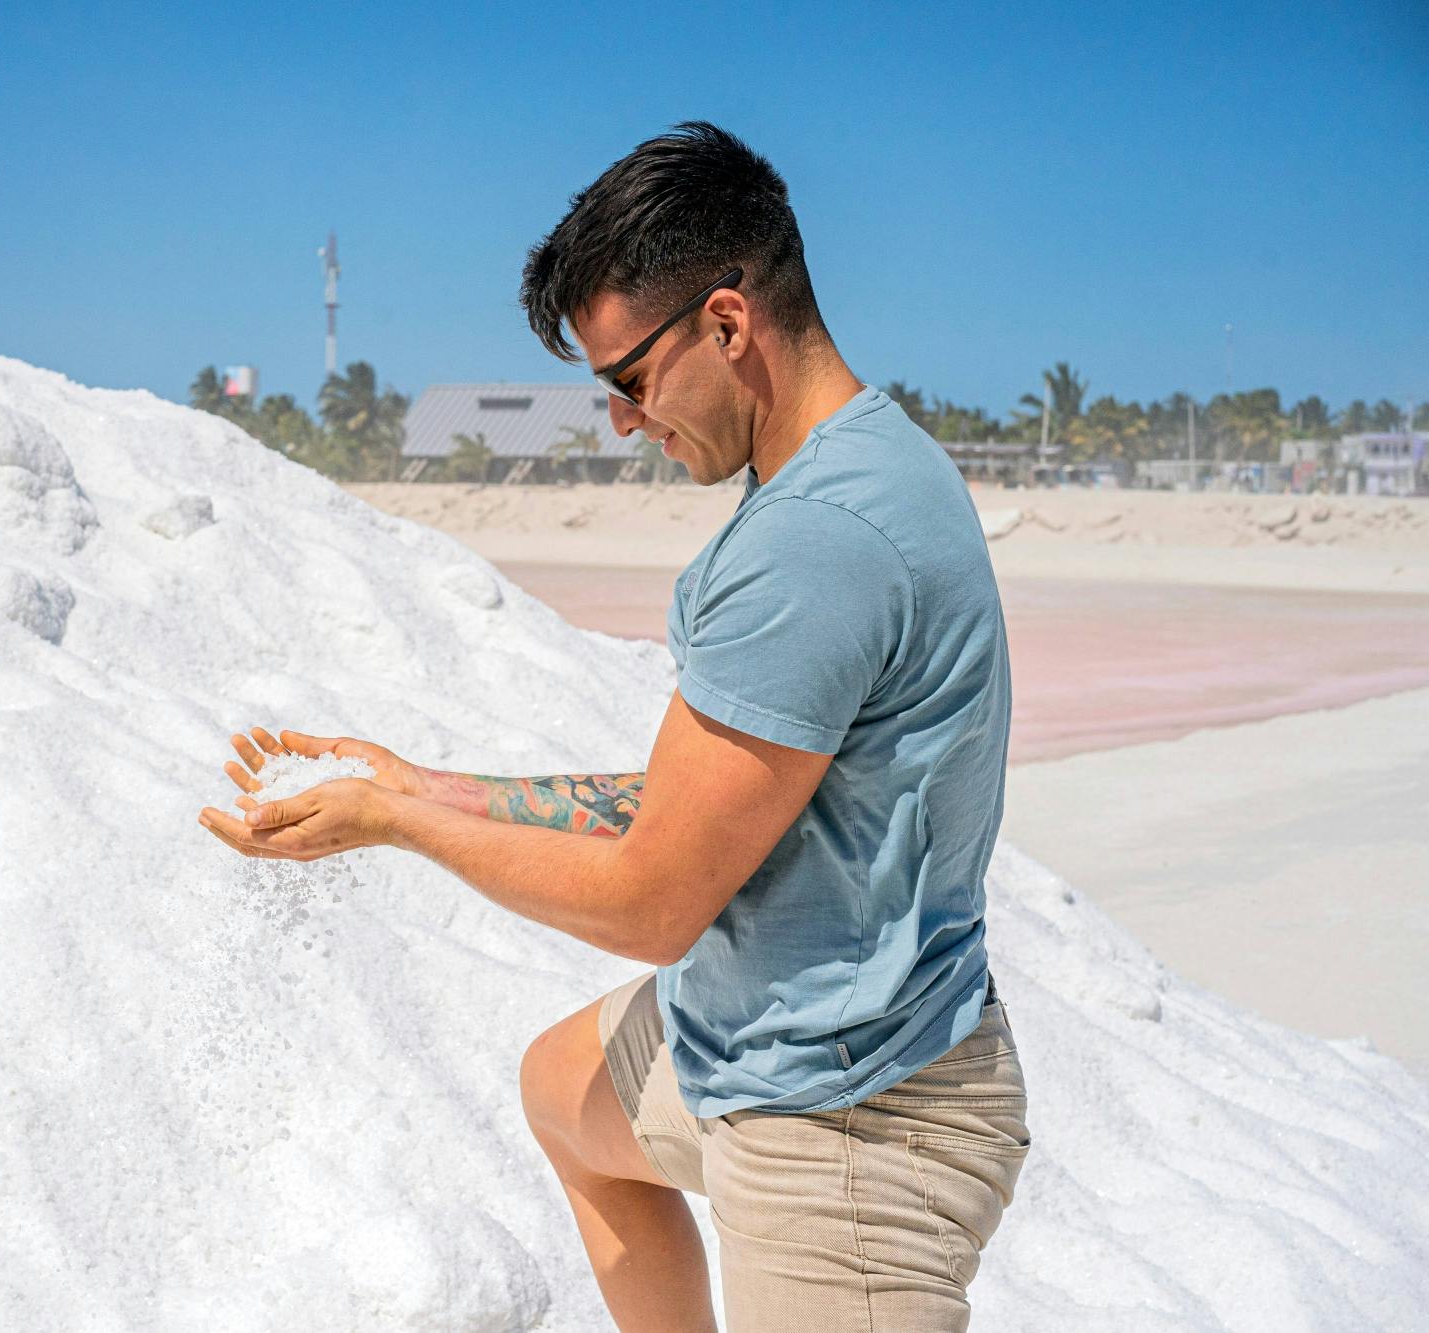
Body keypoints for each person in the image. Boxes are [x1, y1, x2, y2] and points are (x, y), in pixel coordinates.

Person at [198, 120, 1028, 1331]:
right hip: (774, 1040)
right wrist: (432, 785)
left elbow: (651, 901)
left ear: (728, 324)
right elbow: (691, 801)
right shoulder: (854, 469)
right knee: (561, 1091)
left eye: (628, 382)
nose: (622, 424)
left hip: (848, 1127)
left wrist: (391, 827)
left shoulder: (814, 545)